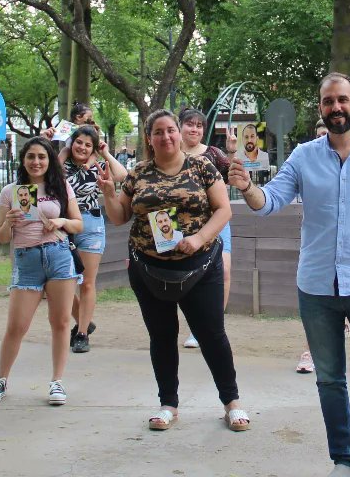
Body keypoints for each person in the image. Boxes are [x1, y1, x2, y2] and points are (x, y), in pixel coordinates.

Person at [229, 72, 350, 477]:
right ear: (321, 108)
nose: (336, 108)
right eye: (328, 102)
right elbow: (270, 201)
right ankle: (343, 461)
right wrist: (245, 187)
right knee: (330, 381)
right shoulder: (303, 156)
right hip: (316, 287)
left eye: (342, 100)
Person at [98, 110, 248, 432]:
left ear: (179, 134)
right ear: (149, 139)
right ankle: (168, 404)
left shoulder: (202, 167)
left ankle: (231, 402)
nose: (165, 137)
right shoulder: (138, 173)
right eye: (158, 132)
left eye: (170, 131)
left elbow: (223, 210)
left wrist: (198, 238)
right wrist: (109, 194)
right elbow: (120, 216)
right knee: (162, 337)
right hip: (149, 271)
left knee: (212, 335)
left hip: (200, 267)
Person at [0, 137, 84, 407]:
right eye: (31, 156)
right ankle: (1, 379)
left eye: (41, 156)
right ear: (23, 160)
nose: (36, 162)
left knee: (61, 322)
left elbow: (78, 224)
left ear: (49, 160)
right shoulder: (10, 191)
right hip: (26, 260)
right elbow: (2, 238)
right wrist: (8, 222)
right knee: (17, 326)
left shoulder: (60, 187)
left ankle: (57, 381)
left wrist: (61, 220)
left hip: (58, 256)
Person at [58, 125, 127, 354]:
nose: (83, 147)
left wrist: (105, 153)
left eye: (88, 145)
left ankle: (82, 333)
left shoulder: (98, 166)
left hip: (91, 224)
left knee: (87, 282)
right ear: (72, 143)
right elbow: (52, 174)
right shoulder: (63, 164)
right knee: (58, 282)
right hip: (64, 224)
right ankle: (84, 319)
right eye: (79, 142)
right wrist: (65, 151)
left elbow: (122, 175)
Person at [178, 107, 234, 350]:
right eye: (189, 124)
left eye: (199, 125)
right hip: (183, 224)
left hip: (216, 220)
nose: (194, 129)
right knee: (188, 276)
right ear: (179, 127)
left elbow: (231, 175)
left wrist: (232, 151)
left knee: (225, 270)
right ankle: (195, 324)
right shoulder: (172, 153)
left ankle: (210, 326)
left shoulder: (213, 153)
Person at [296, 119, 330, 375]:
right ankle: (310, 352)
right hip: (320, 252)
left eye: (326, 133)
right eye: (319, 134)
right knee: (317, 311)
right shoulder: (309, 162)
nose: (323, 138)